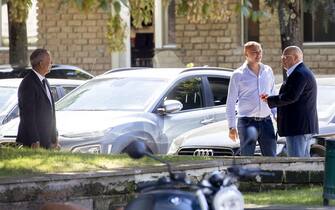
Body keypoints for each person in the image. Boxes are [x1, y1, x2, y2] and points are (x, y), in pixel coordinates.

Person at [261, 46, 318, 157]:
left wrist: (270, 100)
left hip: (298, 128)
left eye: (285, 57)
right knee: (304, 163)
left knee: (297, 163)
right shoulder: (300, 72)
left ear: (295, 57)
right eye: (282, 57)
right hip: (301, 127)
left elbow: (291, 97)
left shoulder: (299, 74)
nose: (282, 59)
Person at [226, 41, 277, 156]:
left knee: (272, 159)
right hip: (247, 123)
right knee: (247, 159)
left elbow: (273, 94)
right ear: (246, 55)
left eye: (260, 52)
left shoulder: (268, 71)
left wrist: (276, 114)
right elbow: (230, 102)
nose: (258, 55)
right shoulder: (238, 74)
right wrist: (231, 127)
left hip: (266, 122)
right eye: (254, 52)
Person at [16, 48, 59, 149]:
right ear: (41, 63)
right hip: (35, 142)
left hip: (47, 140)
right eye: (49, 61)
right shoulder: (28, 83)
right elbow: (28, 115)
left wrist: (55, 136)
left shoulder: (44, 81)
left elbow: (50, 111)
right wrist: (34, 140)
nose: (52, 63)